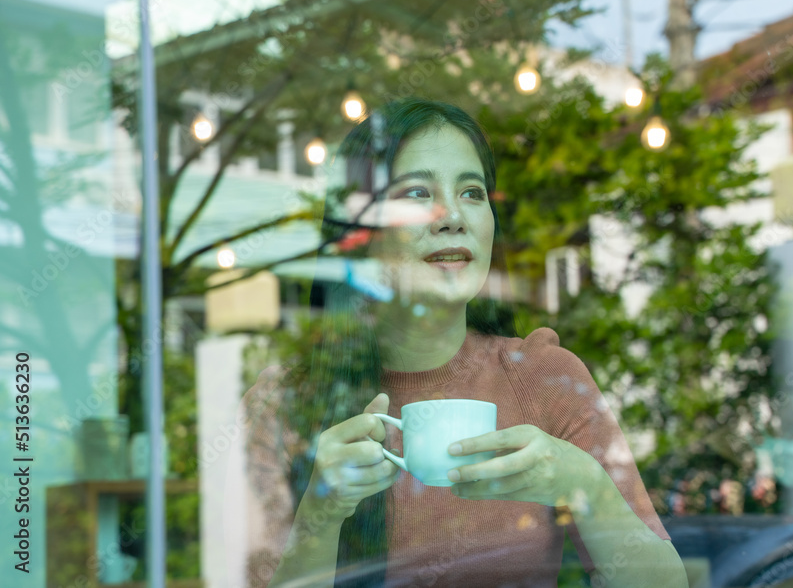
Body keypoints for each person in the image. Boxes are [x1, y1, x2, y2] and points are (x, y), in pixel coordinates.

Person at [244, 98, 688, 587]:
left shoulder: (545, 378)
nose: (453, 216)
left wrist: (585, 485)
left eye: (473, 193)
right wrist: (319, 516)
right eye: (417, 193)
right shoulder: (283, 403)